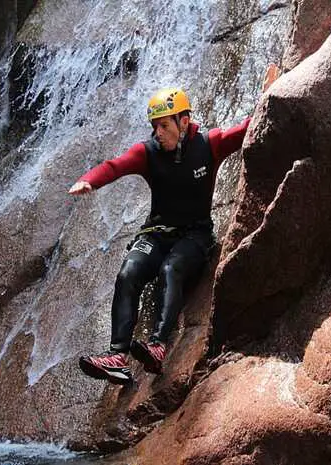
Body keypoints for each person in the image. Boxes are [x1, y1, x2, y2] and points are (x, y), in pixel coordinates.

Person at [69, 64, 280, 385]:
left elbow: (247, 129)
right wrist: (89, 181)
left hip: (195, 235)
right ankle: (117, 358)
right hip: (157, 232)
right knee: (128, 274)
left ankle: (157, 346)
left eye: (164, 126)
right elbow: (115, 166)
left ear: (184, 121)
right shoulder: (148, 152)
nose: (159, 133)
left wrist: (269, 95)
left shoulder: (209, 144)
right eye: (155, 126)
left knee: (171, 270)